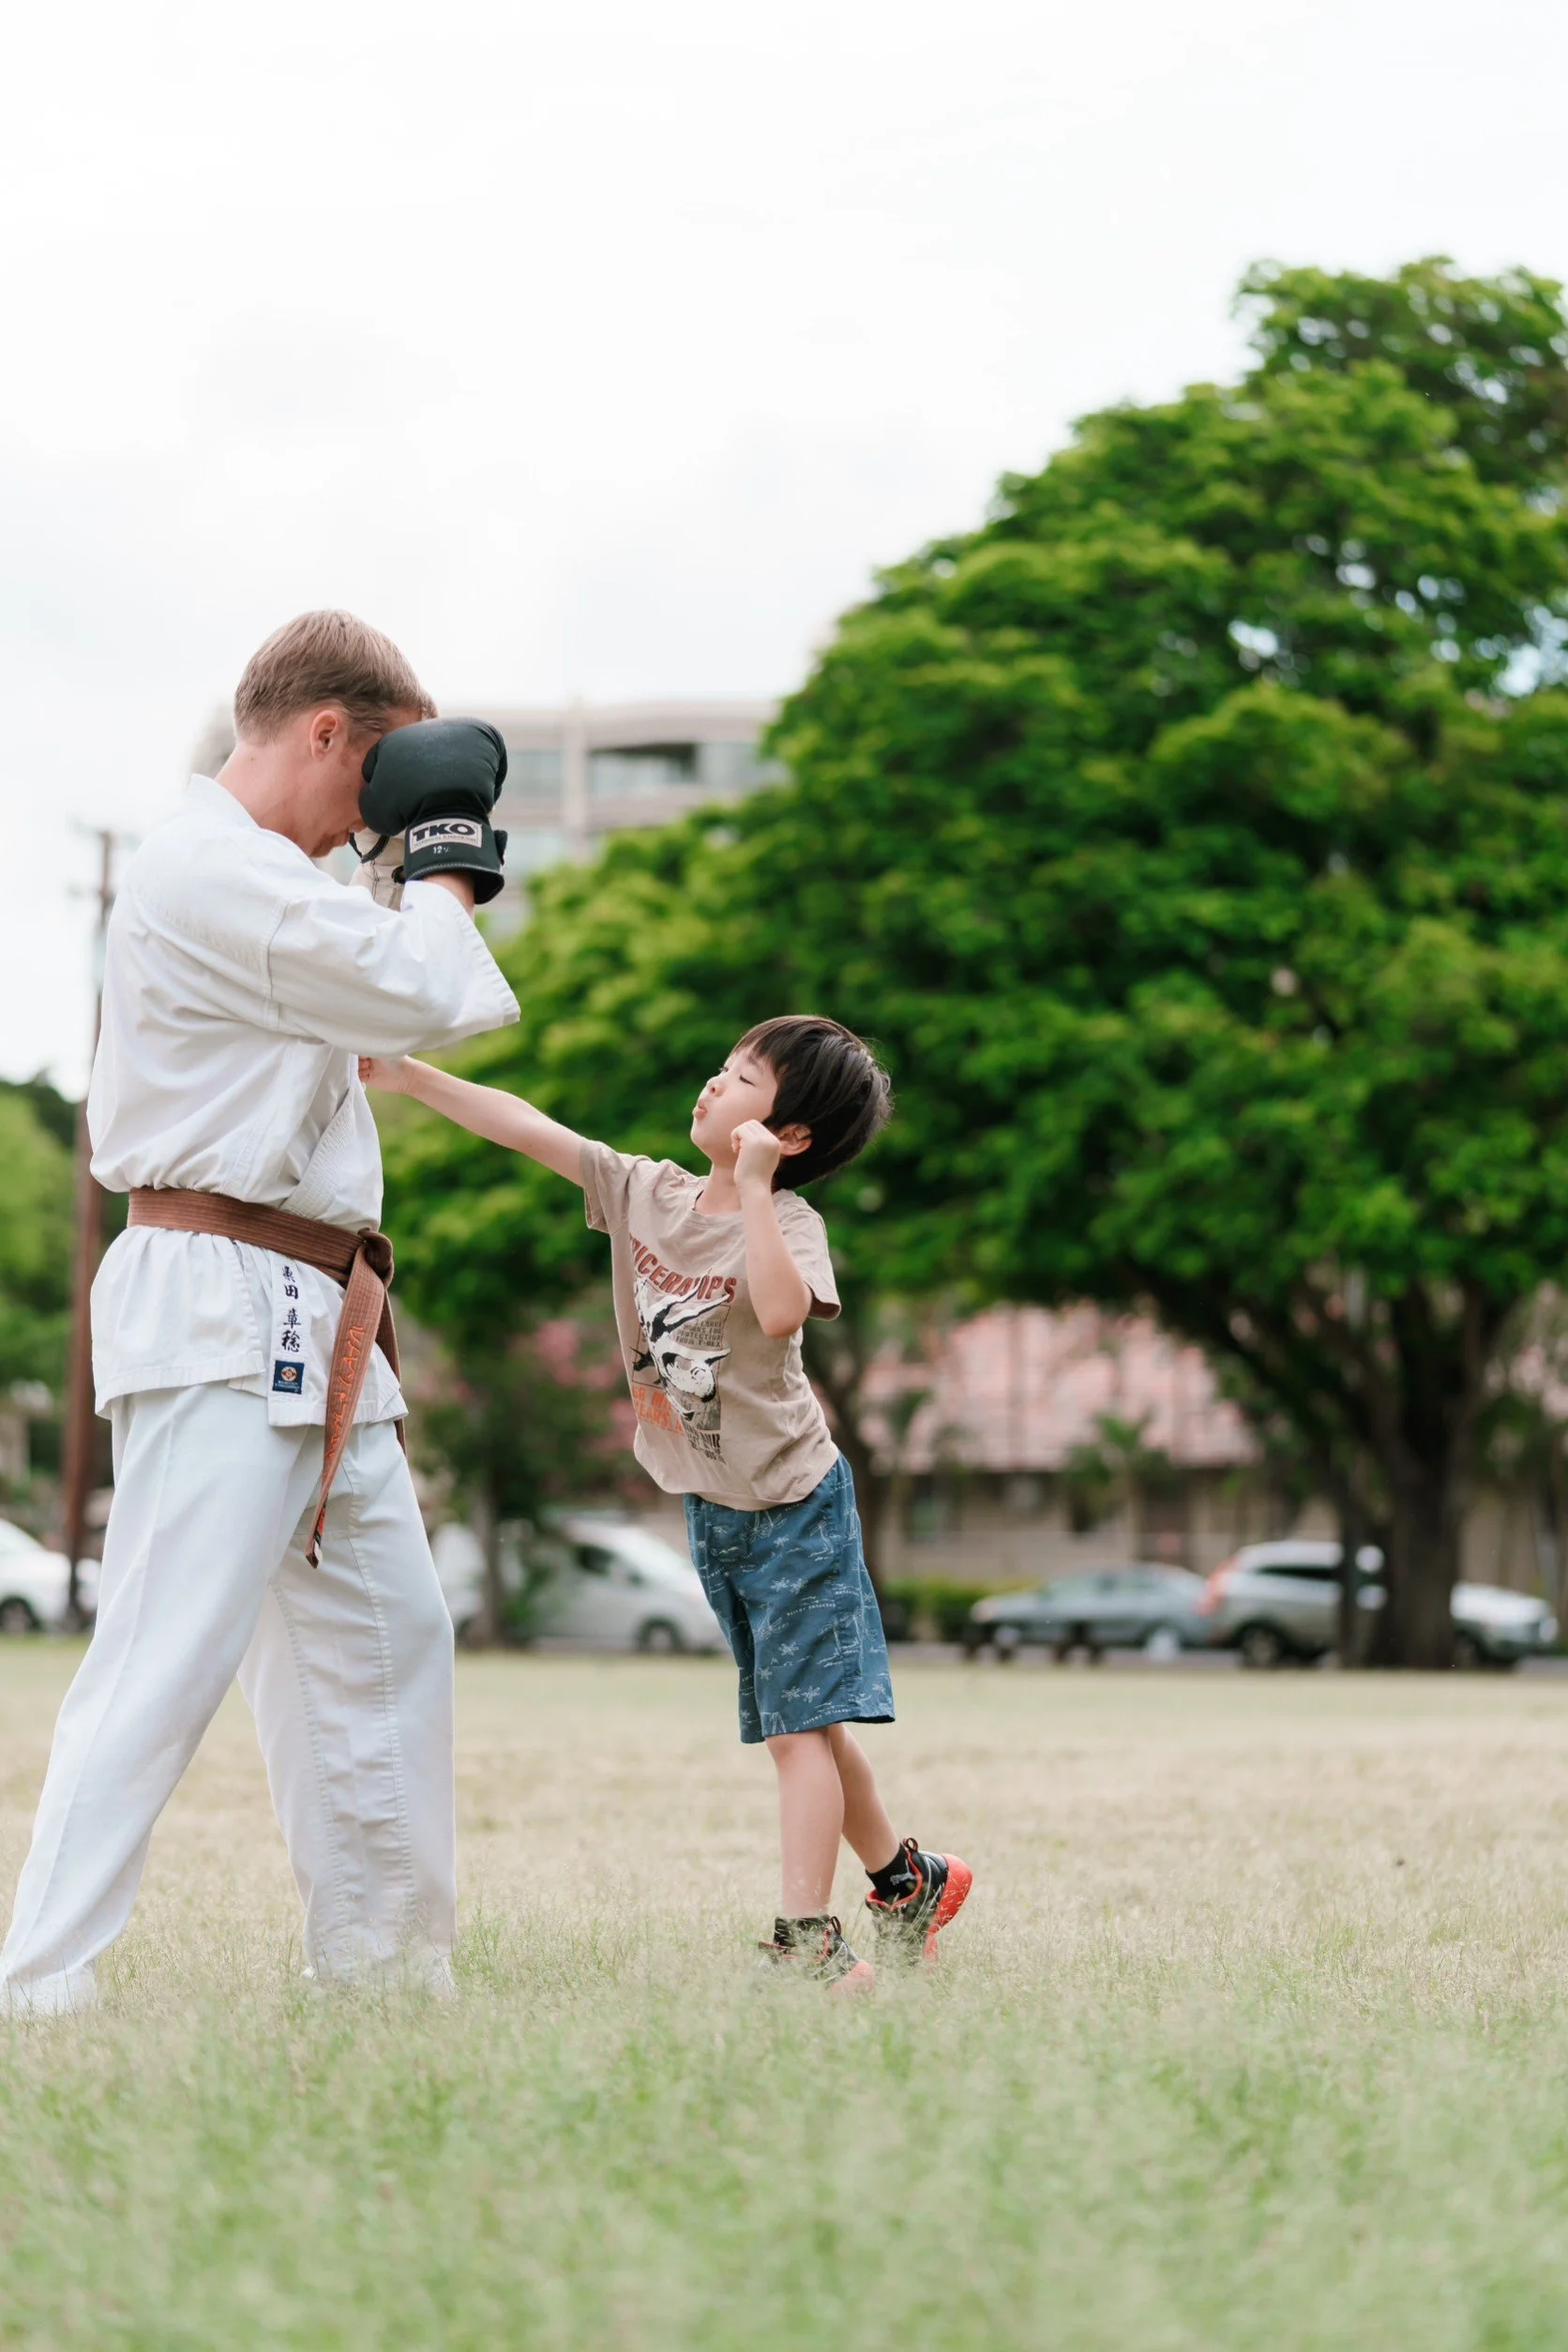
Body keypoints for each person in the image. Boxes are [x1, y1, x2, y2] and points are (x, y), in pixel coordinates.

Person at [0, 611, 520, 2016]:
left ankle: (388, 1975)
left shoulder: (271, 884)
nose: (377, 828)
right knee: (167, 1650)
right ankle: (39, 1981)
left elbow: (403, 998)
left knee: (387, 1639)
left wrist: (412, 862)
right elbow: (435, 991)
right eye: (377, 788)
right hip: (218, 1288)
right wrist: (450, 848)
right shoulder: (201, 868)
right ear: (325, 733)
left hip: (316, 1298)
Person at [361, 1015, 972, 1989]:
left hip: (792, 1505)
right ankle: (907, 1883)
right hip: (712, 1502)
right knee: (805, 1721)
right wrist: (407, 1076)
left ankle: (808, 1939)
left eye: (740, 1080)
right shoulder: (649, 1192)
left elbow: (777, 1312)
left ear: (792, 1135)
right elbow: (530, 1128)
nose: (711, 1086)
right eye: (721, 1068)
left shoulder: (792, 1225)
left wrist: (762, 1190)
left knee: (793, 1731)